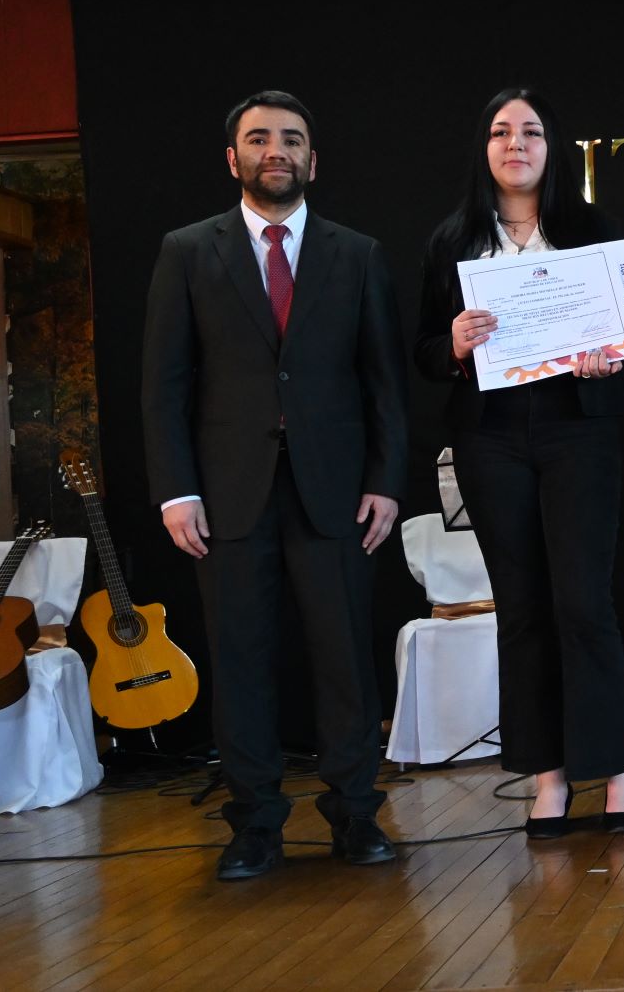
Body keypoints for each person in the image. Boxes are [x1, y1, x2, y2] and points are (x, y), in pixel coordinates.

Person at [142, 90, 408, 879]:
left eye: (291, 139)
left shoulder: (357, 254)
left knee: (346, 663)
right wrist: (175, 490)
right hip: (226, 496)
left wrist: (387, 480)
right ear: (234, 158)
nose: (275, 150)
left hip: (338, 494)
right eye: (259, 138)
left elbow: (385, 384)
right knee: (241, 663)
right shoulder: (187, 251)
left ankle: (356, 814)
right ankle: (254, 824)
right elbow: (164, 384)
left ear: (312, 161)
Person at [413, 87, 624, 838]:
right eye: (501, 132)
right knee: (520, 608)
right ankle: (548, 777)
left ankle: (616, 770)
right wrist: (453, 345)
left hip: (578, 429)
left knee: (584, 602)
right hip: (491, 438)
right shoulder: (453, 240)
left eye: (532, 131)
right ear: (484, 148)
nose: (516, 143)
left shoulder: (593, 231)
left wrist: (608, 357)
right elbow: (422, 350)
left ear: (553, 147)